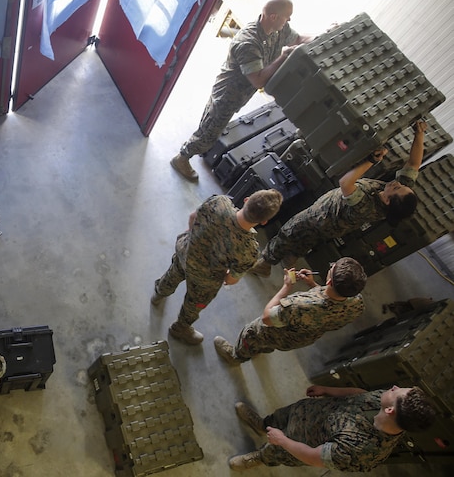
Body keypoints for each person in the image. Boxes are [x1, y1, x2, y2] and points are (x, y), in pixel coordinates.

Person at [251, 119, 427, 277]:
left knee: (289, 232)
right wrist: (419, 134)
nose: (396, 183)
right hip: (331, 227)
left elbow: (346, 183)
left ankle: (265, 263)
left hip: (320, 217)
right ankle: (291, 257)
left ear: (388, 201)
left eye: (396, 187)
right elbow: (413, 164)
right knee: (308, 239)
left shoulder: (366, 208)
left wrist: (371, 161)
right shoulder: (399, 198)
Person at [171, 0, 313, 181]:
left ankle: (192, 149)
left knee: (211, 126)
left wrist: (321, 36)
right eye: (287, 16)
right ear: (273, 17)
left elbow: (299, 38)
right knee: (209, 132)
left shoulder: (279, 29)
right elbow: (258, 80)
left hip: (240, 94)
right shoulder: (248, 42)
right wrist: (283, 57)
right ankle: (182, 157)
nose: (289, 20)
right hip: (228, 94)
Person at [151, 189, 283, 345]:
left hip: (185, 253)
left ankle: (159, 293)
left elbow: (193, 217)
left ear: (246, 200)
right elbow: (231, 279)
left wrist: (193, 236)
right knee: (194, 304)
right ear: (264, 222)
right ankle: (180, 328)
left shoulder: (219, 202)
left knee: (172, 274)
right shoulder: (250, 250)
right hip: (205, 280)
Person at [228, 384, 436, 471]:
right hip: (304, 412)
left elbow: (313, 457)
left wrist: (282, 441)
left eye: (397, 391)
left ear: (390, 411)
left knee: (275, 452)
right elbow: (360, 393)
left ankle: (258, 458)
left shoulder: (364, 451)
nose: (395, 387)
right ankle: (261, 425)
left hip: (298, 443)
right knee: (276, 419)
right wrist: (328, 390)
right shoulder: (384, 401)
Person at [213, 257, 366, 365]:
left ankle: (236, 356)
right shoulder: (357, 302)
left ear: (329, 281)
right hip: (300, 338)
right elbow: (332, 303)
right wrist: (313, 285)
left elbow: (267, 317)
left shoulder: (299, 306)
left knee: (252, 333)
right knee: (267, 345)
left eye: (331, 267)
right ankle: (258, 350)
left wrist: (286, 286)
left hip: (277, 332)